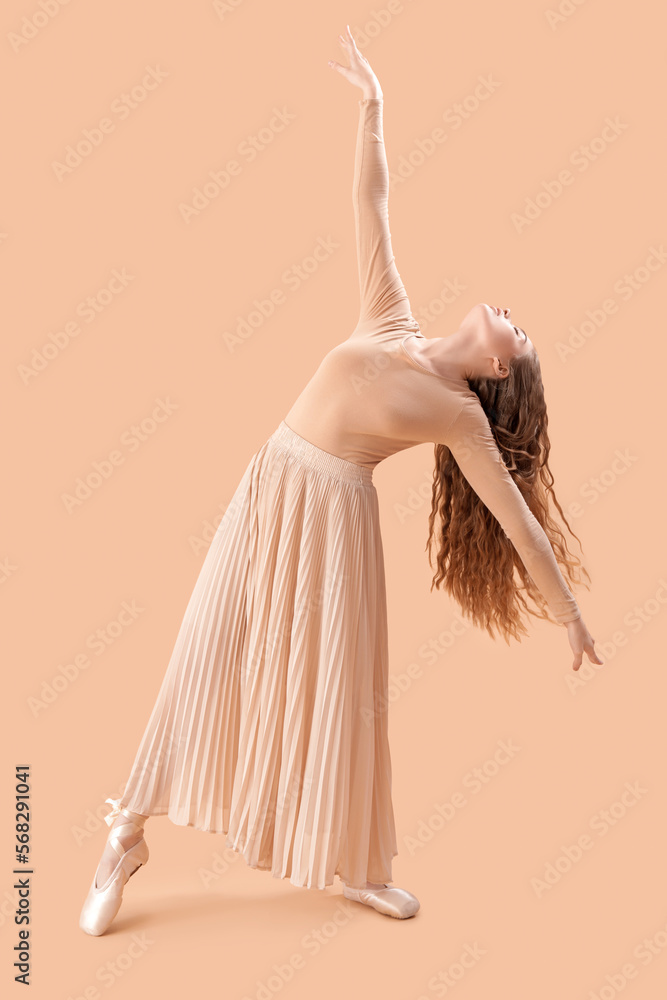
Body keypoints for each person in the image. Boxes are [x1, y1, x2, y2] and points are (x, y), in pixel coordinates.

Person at [79, 25, 603, 936]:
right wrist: (374, 109)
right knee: (204, 652)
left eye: (516, 335)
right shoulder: (391, 317)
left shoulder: (462, 417)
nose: (508, 317)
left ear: (494, 373)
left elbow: (517, 523)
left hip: (334, 529)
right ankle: (125, 832)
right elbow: (373, 203)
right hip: (270, 492)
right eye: (515, 317)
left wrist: (568, 613)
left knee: (337, 698)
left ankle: (353, 864)